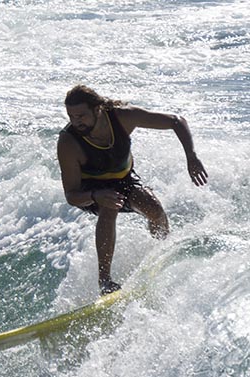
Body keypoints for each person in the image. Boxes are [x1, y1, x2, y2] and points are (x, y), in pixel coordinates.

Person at [57, 85, 208, 294]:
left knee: (155, 210)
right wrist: (95, 195)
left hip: (123, 179)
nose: (76, 122)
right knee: (109, 205)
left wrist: (191, 157)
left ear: (97, 109)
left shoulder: (122, 118)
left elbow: (176, 121)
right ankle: (105, 281)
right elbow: (72, 196)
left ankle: (162, 251)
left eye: (81, 115)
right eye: (71, 116)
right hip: (90, 190)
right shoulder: (69, 142)